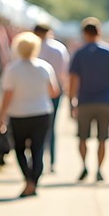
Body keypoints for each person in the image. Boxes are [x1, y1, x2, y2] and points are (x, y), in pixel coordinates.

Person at [0, 31, 59, 197]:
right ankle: (34, 181)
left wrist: (1, 117)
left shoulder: (12, 69)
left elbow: (7, 97)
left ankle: (28, 180)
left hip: (19, 114)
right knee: (38, 149)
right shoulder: (44, 67)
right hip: (41, 112)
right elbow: (54, 92)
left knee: (19, 149)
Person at [68, 17, 109, 183]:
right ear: (99, 31)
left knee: (82, 138)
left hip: (84, 101)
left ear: (84, 33)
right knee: (102, 139)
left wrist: (71, 100)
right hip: (105, 101)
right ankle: (99, 169)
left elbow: (73, 79)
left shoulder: (80, 53)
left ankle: (84, 166)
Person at [33, 23, 69, 173]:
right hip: (54, 91)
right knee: (51, 126)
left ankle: (36, 160)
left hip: (35, 91)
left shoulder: (31, 47)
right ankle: (52, 161)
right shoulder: (58, 48)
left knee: (35, 127)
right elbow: (63, 72)